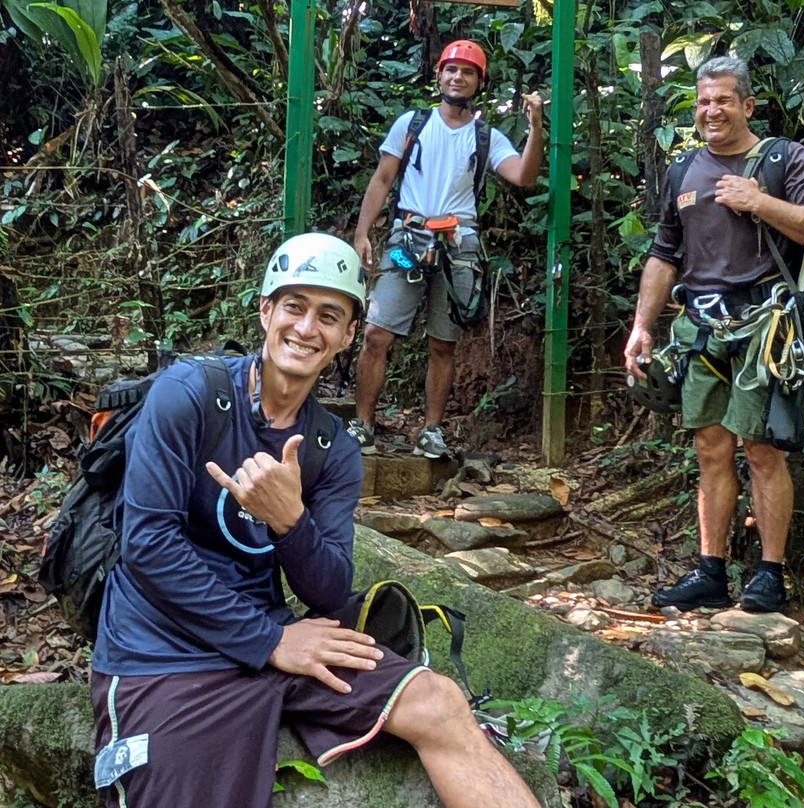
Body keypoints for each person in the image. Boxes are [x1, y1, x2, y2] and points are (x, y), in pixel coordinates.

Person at [90, 232, 541, 808]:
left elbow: (327, 587)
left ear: (349, 335)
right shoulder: (189, 396)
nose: (307, 328)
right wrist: (270, 639)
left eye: (329, 315)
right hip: (163, 652)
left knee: (439, 702)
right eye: (294, 307)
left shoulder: (332, 445)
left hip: (274, 640)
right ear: (265, 311)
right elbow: (147, 545)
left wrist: (290, 519)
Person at [624, 56, 804, 614]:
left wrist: (759, 201)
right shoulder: (682, 172)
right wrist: (641, 325)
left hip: (766, 326)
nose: (711, 111)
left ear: (747, 105)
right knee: (710, 448)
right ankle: (710, 570)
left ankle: (770, 575)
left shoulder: (783, 159)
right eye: (703, 102)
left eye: (723, 100)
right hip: (701, 328)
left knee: (764, 449)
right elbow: (663, 253)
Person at [349, 39, 543, 459]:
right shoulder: (413, 123)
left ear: (479, 82)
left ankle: (431, 430)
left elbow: (523, 176)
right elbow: (382, 180)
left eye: (467, 72)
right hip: (407, 243)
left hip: (460, 249)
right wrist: (363, 233)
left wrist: (536, 129)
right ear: (438, 75)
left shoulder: (485, 136)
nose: (457, 77)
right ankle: (362, 423)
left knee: (443, 342)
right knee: (377, 332)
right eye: (450, 70)